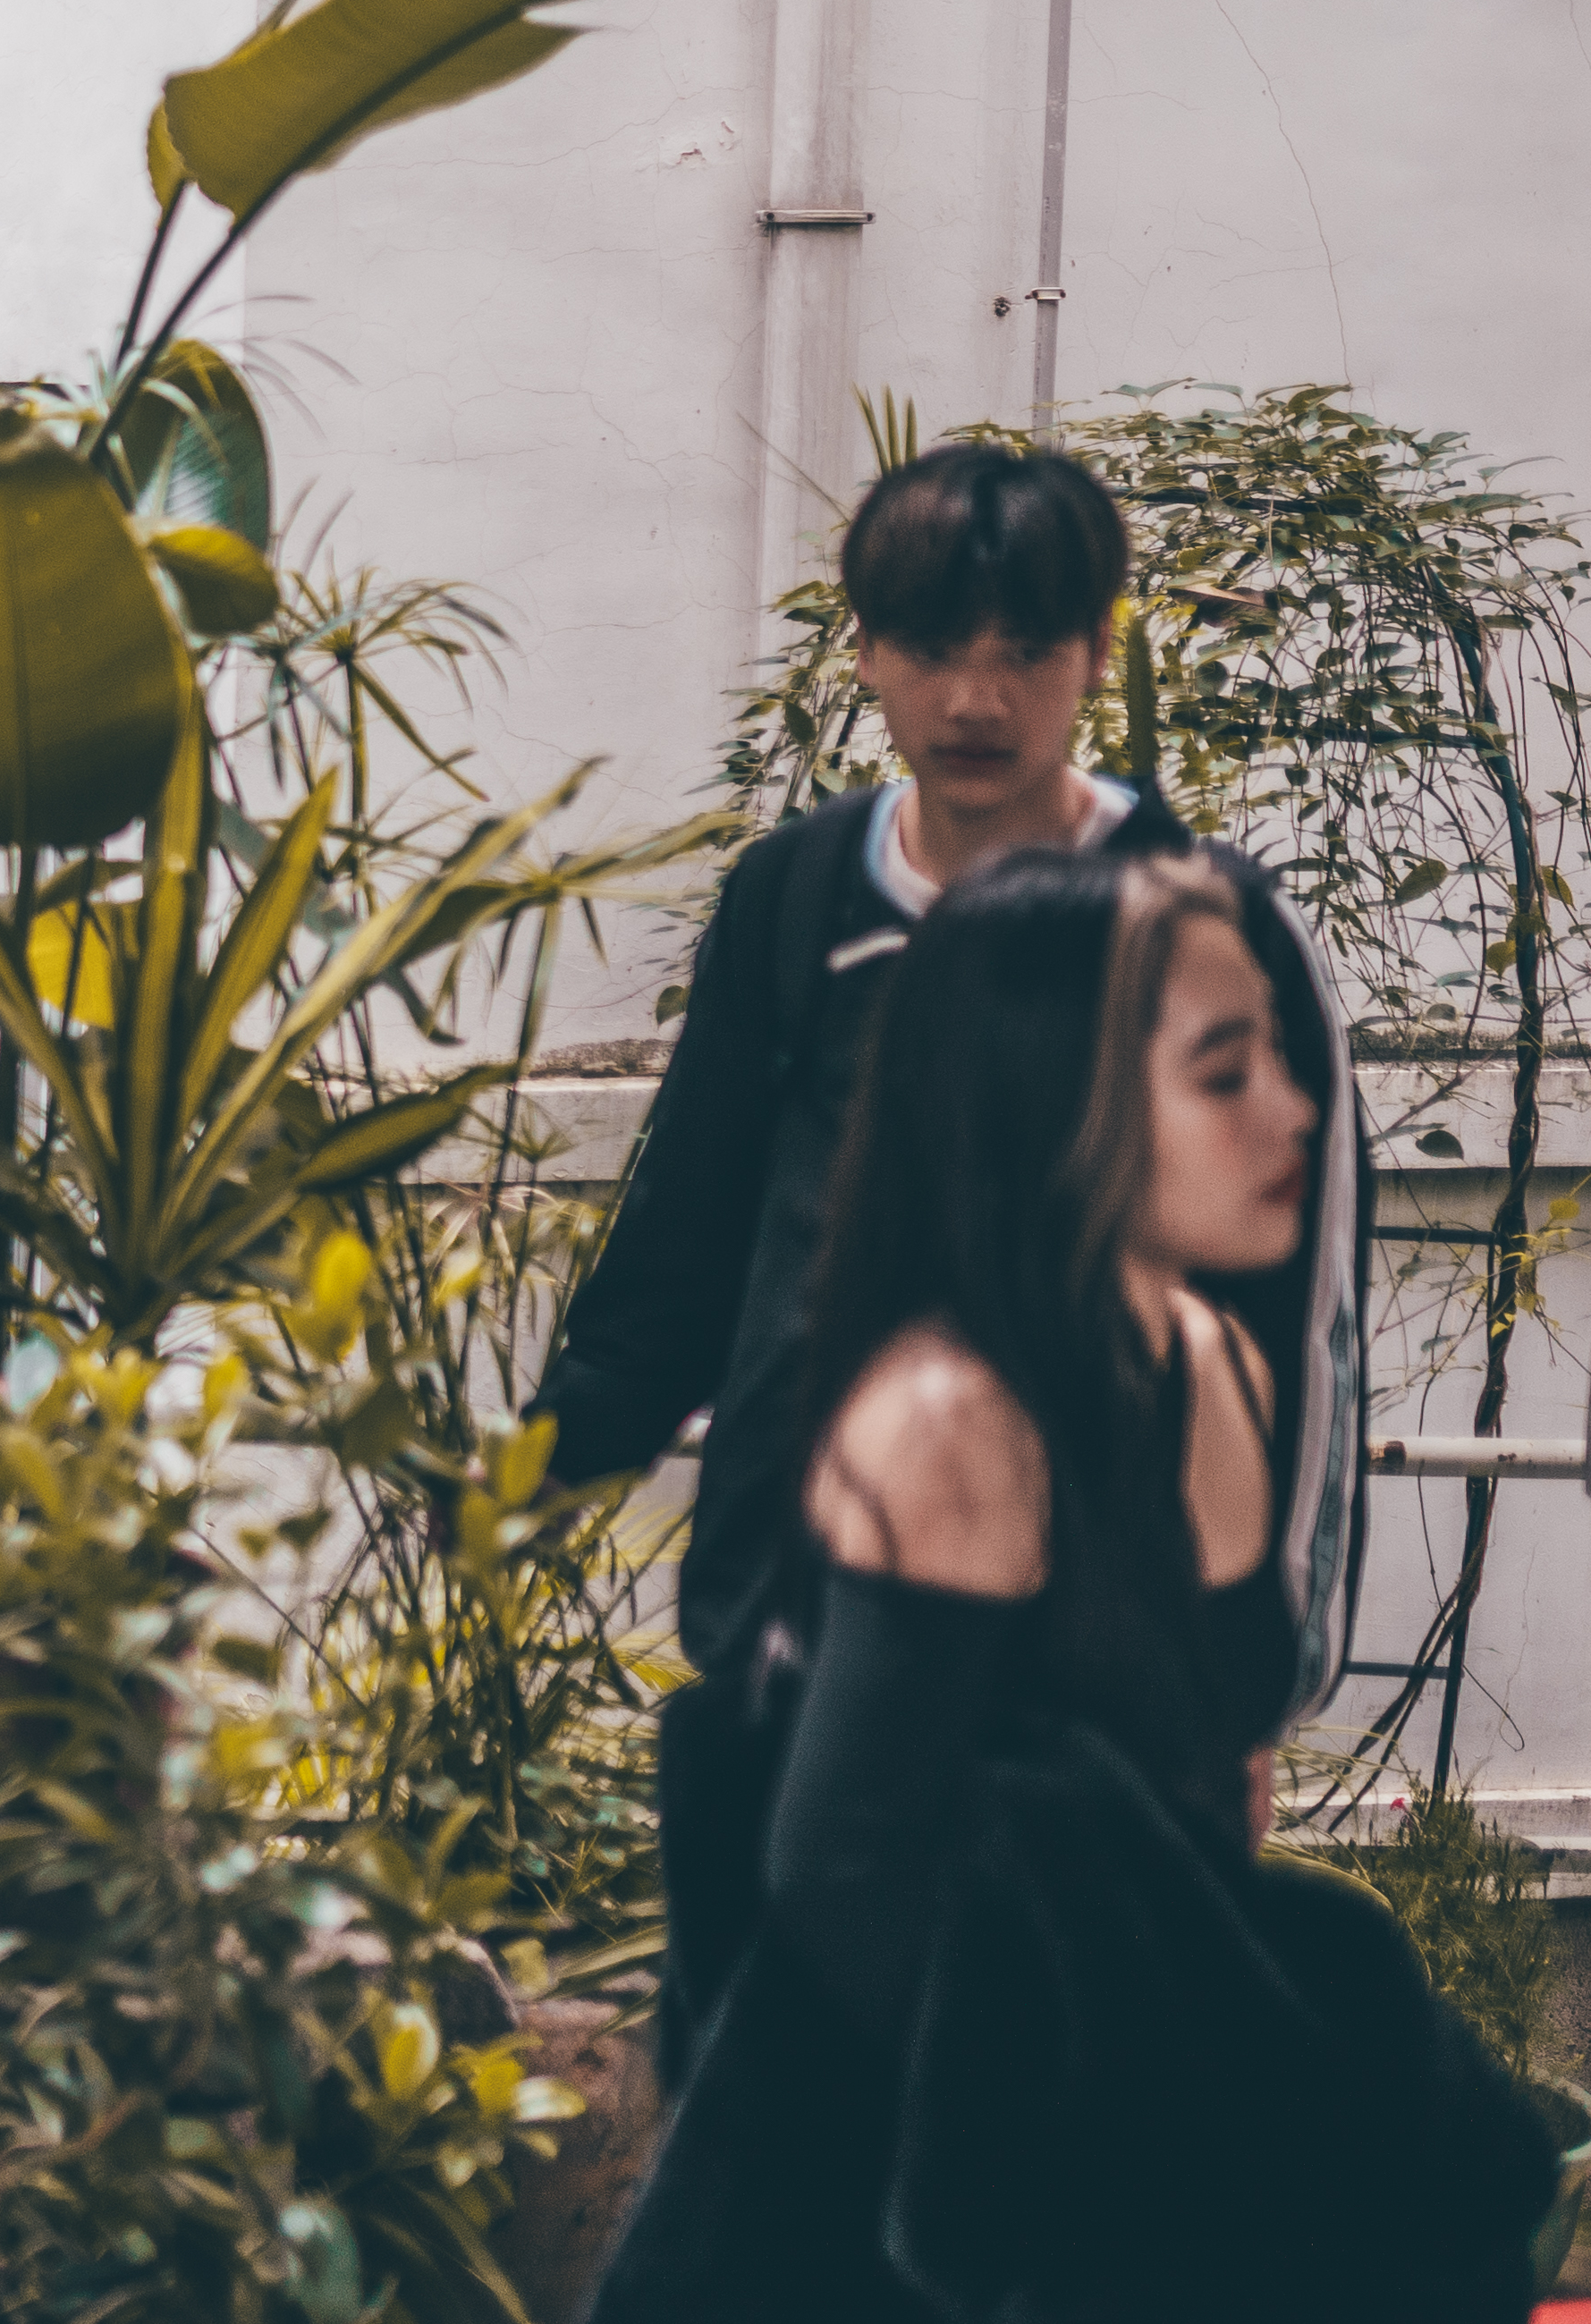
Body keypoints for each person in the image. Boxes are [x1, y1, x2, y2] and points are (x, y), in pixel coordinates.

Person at [589, 849, 1549, 2321]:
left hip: (1100, 2108)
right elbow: (844, 1885)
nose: (1295, 1115)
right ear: (1058, 1105)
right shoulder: (950, 1423)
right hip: (901, 2172)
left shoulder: (1208, 1361)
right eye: (1224, 1075)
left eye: (1282, 1063)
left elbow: (1201, 1792)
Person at [529, 444, 1370, 2068]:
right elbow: (688, 1247)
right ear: (864, 654)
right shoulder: (795, 904)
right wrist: (519, 1474)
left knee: (1044, 2160)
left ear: (1096, 657)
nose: (974, 695)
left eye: (1026, 650)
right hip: (788, 1629)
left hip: (1100, 1682)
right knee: (771, 2136)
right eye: (929, 646)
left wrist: (1250, 1685)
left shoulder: (1204, 930)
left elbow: (1293, 1323)